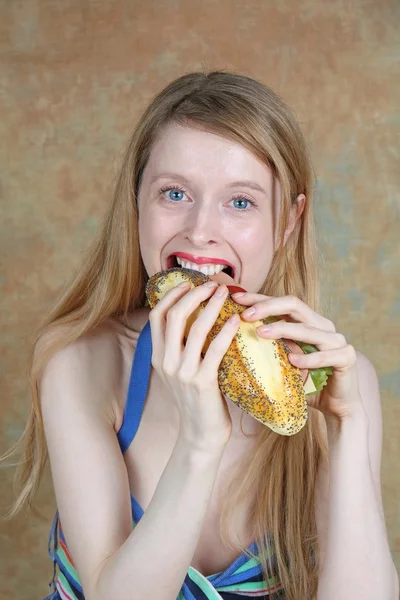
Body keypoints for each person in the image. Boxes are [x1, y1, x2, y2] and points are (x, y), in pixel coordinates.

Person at [3, 70, 398, 600]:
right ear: (136, 202)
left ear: (288, 223)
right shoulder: (82, 366)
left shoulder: (342, 386)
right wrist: (200, 440)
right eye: (174, 193)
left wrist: (348, 430)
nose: (199, 231)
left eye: (241, 202)